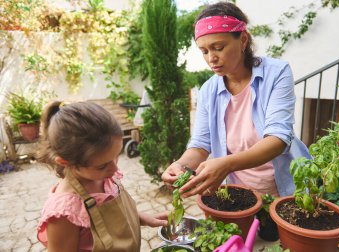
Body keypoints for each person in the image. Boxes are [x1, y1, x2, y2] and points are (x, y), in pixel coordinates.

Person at [162, 2, 310, 198]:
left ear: (242, 40)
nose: (211, 58)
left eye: (218, 47)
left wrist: (227, 163)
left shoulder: (276, 73)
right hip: (240, 195)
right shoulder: (208, 90)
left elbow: (278, 138)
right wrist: (180, 166)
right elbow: (200, 144)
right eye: (204, 51)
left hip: (284, 192)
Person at [36, 101, 168, 252]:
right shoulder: (65, 213)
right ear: (65, 162)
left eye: (116, 156)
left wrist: (144, 218)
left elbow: (113, 217)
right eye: (102, 166)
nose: (115, 168)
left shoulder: (106, 177)